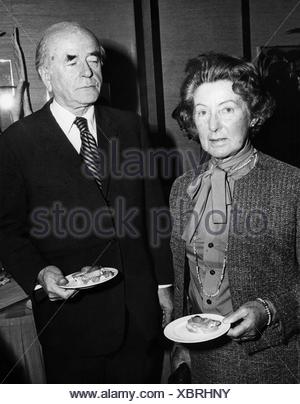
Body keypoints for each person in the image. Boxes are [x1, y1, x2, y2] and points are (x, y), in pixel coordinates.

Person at [0, 21, 173, 383]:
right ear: (46, 74)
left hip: (138, 316)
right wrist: (39, 273)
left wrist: (163, 286)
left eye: (93, 58)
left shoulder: (130, 127)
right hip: (71, 324)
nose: (87, 70)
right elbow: (7, 230)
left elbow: (155, 212)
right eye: (71, 60)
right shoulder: (17, 142)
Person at [169, 52, 299, 383]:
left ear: (253, 114)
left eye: (227, 109)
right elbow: (185, 279)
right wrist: (181, 347)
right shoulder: (183, 188)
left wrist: (269, 309)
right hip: (203, 360)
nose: (213, 126)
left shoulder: (291, 185)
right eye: (202, 112)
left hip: (272, 364)